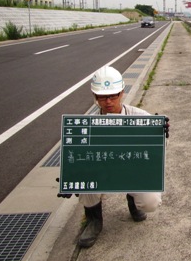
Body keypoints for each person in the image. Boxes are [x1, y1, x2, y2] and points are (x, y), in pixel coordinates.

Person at [71, 66, 164, 248]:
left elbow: (156, 154)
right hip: (102, 172)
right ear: (95, 97)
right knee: (84, 178)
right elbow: (75, 156)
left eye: (113, 95)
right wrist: (70, 177)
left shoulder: (141, 117)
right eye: (102, 97)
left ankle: (133, 201)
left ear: (122, 93)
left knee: (151, 202)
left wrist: (162, 136)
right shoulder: (85, 125)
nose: (108, 101)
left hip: (132, 171)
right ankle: (93, 219)